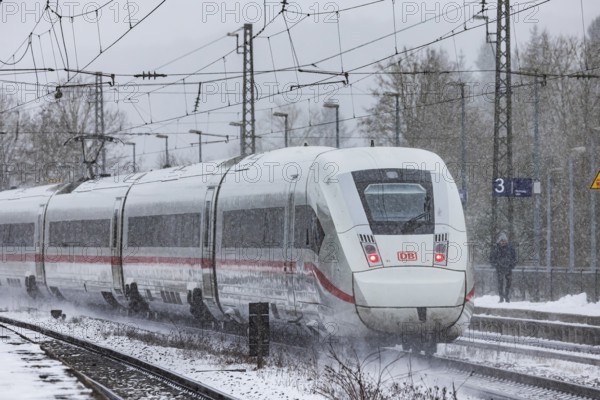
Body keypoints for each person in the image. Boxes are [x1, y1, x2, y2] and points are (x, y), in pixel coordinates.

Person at [489, 232, 517, 303]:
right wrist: (496, 265)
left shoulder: (510, 248)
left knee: (508, 283)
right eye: (502, 241)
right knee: (500, 284)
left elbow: (515, 258)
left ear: (507, 241)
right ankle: (501, 297)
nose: (503, 242)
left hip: (508, 268)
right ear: (499, 241)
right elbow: (492, 258)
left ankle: (507, 296)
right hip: (499, 269)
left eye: (504, 241)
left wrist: (512, 265)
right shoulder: (496, 249)